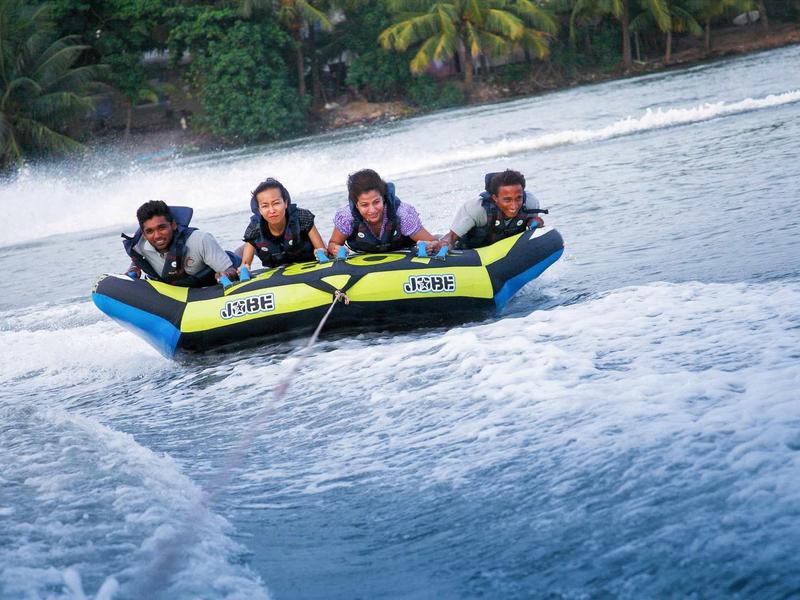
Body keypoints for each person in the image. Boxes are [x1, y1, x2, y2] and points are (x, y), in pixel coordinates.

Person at [123, 200, 240, 287]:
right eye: (149, 231)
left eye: (162, 227)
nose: (157, 235)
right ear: (143, 234)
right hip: (177, 297)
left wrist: (226, 275)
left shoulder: (200, 240)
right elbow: (137, 259)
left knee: (238, 254)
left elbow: (230, 270)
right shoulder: (140, 246)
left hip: (210, 284)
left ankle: (247, 248)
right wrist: (133, 267)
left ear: (173, 225)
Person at [327, 169, 438, 255]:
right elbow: (333, 244)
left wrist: (429, 246)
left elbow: (435, 242)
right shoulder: (346, 217)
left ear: (383, 198)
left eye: (376, 202)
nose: (372, 210)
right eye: (365, 205)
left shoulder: (403, 214)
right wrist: (336, 249)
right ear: (356, 204)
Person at [438, 169, 546, 250]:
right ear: (495, 198)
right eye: (507, 200)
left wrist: (535, 222)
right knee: (436, 241)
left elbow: (534, 222)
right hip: (471, 251)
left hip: (506, 251)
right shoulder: (477, 209)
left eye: (519, 198)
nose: (514, 206)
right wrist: (445, 244)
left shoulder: (530, 203)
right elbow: (451, 237)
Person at [240, 177, 326, 269]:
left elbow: (321, 250)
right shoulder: (254, 229)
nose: (272, 210)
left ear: (285, 203)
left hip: (306, 258)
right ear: (259, 210)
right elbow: (245, 265)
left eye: (276, 203)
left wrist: (322, 253)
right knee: (241, 251)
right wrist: (243, 269)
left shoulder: (302, 217)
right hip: (272, 257)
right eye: (265, 206)